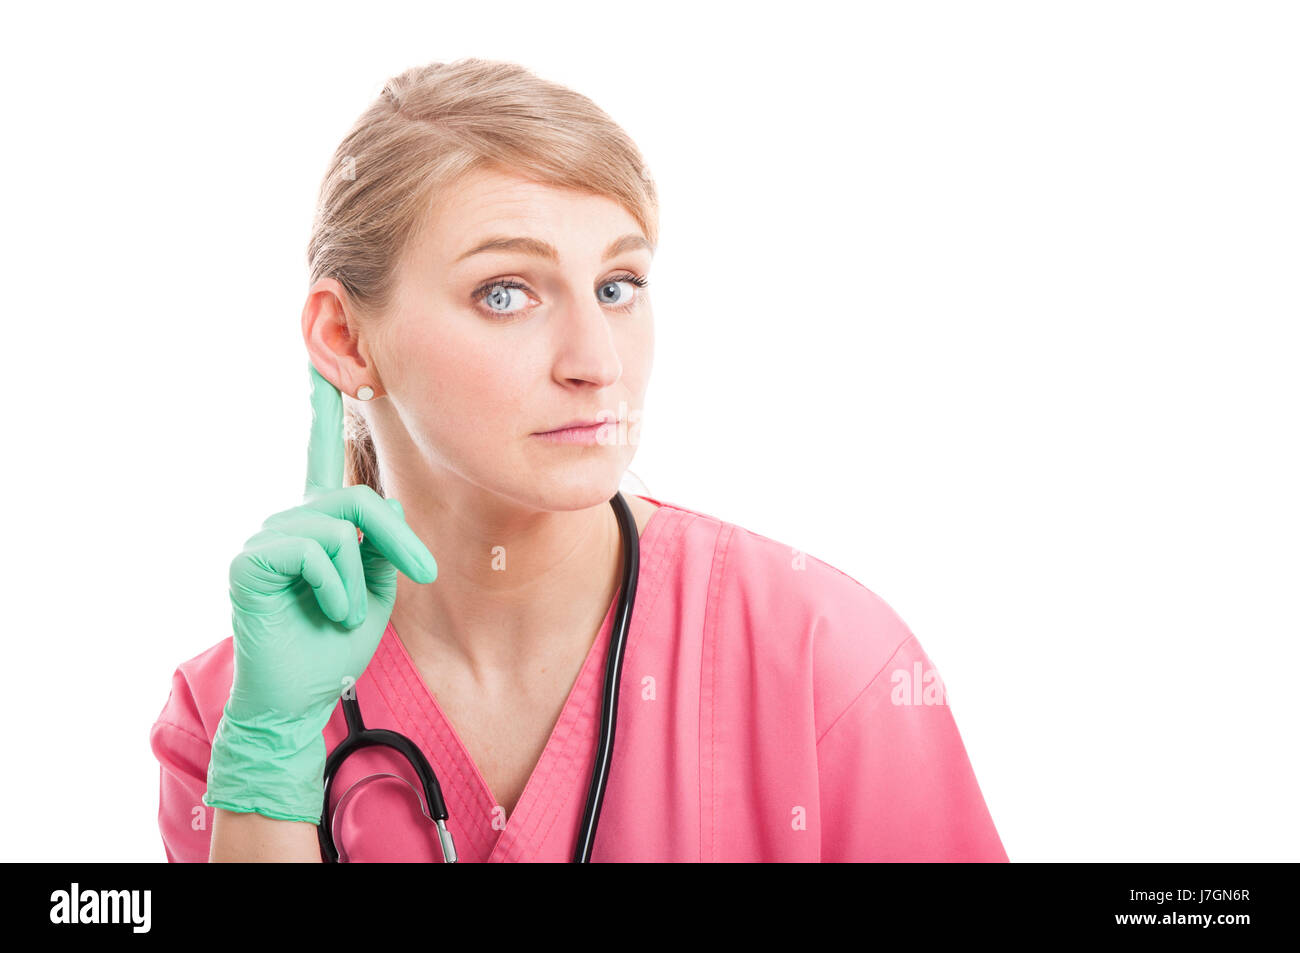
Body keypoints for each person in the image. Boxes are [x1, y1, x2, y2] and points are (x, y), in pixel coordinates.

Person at [149, 57, 1009, 863]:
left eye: (617, 287)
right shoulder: (238, 712)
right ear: (345, 337)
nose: (596, 361)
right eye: (506, 293)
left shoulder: (828, 660)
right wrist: (272, 755)